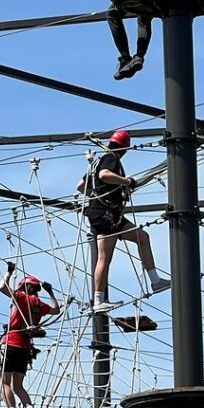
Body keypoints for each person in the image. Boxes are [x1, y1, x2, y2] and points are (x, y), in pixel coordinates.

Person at [78, 130, 170, 313]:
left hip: (109, 213)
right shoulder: (111, 158)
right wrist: (126, 181)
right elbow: (104, 175)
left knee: (142, 237)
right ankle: (98, 300)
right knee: (105, 257)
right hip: (106, 215)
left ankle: (155, 281)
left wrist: (97, 195)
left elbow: (81, 187)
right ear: (125, 148)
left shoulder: (97, 161)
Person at [0, 264, 61, 408]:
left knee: (4, 382)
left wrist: (9, 273)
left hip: (11, 343)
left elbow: (1, 287)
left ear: (25, 287)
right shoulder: (39, 304)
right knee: (18, 385)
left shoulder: (21, 297)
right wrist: (50, 292)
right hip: (25, 348)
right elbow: (56, 310)